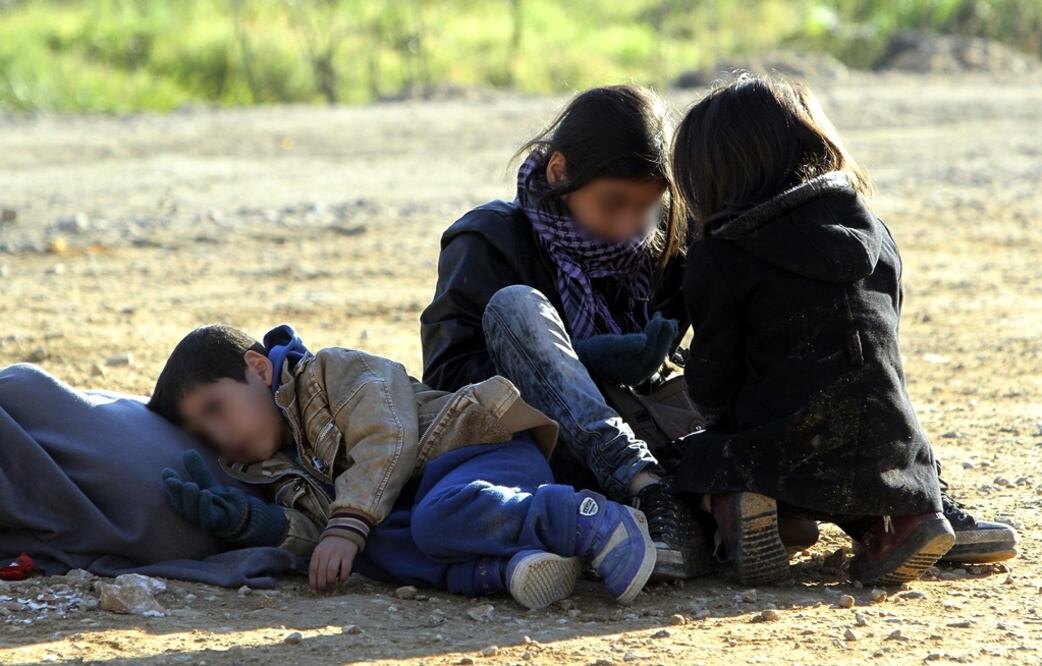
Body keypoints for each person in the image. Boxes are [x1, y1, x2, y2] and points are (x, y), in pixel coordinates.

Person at [669, 75, 1014, 585]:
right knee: (861, 457)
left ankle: (740, 500)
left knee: (695, 456)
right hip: (892, 447)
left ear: (713, 176)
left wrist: (718, 418)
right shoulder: (876, 234)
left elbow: (715, 376)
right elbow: (884, 340)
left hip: (780, 443)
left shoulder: (721, 253)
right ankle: (909, 521)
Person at [147, 324, 657, 607]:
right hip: (436, 513)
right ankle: (508, 569)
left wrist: (347, 525)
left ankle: (592, 520)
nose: (218, 437)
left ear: (258, 369)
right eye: (201, 433)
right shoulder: (276, 473)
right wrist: (262, 526)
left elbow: (387, 435)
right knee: (375, 552)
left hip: (482, 453)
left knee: (423, 521)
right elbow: (323, 537)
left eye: (215, 409)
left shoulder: (331, 372)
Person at [420, 85, 711, 580]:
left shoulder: (668, 243)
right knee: (516, 305)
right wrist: (577, 362)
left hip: (656, 428)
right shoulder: (489, 241)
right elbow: (449, 378)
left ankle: (698, 503)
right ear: (559, 172)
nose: (628, 227)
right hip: (544, 444)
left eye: (645, 207)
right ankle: (648, 491)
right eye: (613, 203)